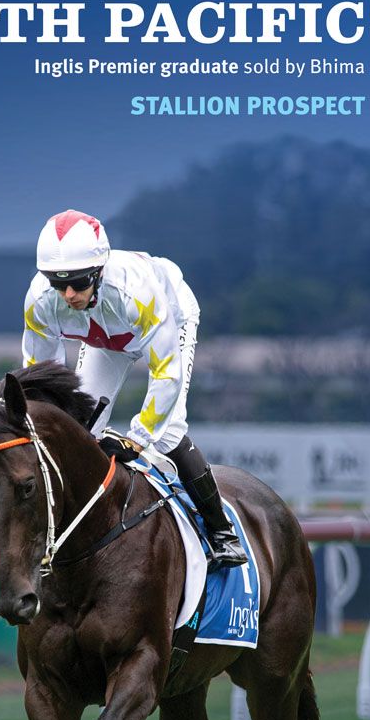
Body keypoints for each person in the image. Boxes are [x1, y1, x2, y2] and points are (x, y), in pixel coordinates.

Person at [21, 209, 247, 568]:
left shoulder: (136, 292)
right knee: (78, 432)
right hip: (105, 339)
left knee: (168, 433)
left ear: (98, 271)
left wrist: (137, 439)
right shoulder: (40, 300)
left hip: (169, 318)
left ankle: (222, 532)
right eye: (58, 284)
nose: (68, 295)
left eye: (78, 282)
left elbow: (167, 374)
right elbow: (41, 381)